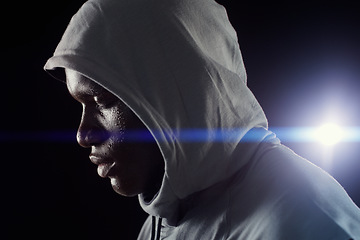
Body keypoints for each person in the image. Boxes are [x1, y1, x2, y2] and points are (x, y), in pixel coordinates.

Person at [44, 0, 360, 239]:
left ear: (172, 93)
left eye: (101, 101)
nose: (84, 135)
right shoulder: (163, 220)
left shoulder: (302, 221)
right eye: (80, 104)